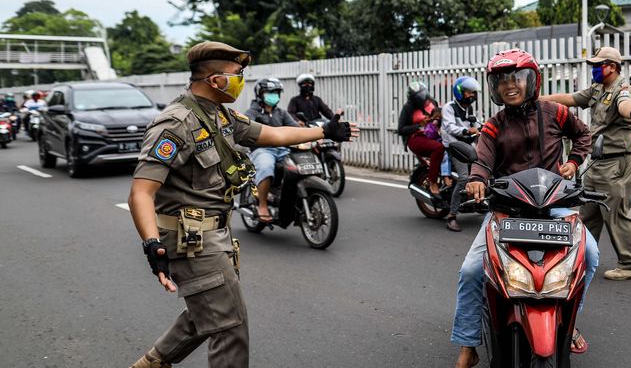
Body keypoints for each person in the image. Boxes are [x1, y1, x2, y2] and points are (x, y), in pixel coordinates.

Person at [127, 41, 356, 368]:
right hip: (191, 241)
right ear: (213, 79)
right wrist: (152, 244)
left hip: (216, 235)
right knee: (230, 325)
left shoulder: (219, 115)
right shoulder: (176, 122)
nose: (241, 81)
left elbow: (273, 136)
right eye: (236, 75)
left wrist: (326, 131)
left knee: (207, 312)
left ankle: (152, 363)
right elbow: (141, 192)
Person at [453, 49, 596, 368]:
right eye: (501, 81)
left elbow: (583, 135)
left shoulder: (556, 113)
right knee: (472, 271)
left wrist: (573, 162)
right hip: (508, 210)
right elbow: (482, 160)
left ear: (533, 80)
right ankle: (467, 343)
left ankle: (568, 323)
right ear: (494, 87)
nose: (509, 85)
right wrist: (477, 180)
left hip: (555, 205)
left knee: (591, 256)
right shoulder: (494, 125)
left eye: (516, 78)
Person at [540, 46, 631, 281]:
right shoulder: (599, 89)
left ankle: (630, 264)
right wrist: (540, 100)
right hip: (598, 162)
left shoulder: (623, 90)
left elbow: (625, 106)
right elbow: (571, 99)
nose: (595, 69)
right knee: (588, 213)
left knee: (616, 213)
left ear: (612, 67)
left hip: (618, 162)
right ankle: (580, 258)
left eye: (599, 65)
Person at [244, 77, 300, 222]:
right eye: (270, 92)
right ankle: (262, 204)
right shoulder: (253, 112)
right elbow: (245, 128)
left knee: (299, 165)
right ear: (260, 94)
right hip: (262, 150)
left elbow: (295, 129)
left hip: (282, 150)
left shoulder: (281, 113)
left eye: (276, 92)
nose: (274, 94)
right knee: (266, 167)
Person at [441, 76, 481, 232]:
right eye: (468, 92)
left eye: (473, 93)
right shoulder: (449, 107)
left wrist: (486, 127)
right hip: (454, 146)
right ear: (459, 92)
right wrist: (466, 130)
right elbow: (450, 127)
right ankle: (452, 216)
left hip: (467, 145)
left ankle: (478, 202)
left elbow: (476, 123)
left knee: (485, 167)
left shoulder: (469, 109)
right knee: (464, 177)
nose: (472, 95)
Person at [397, 81, 445, 196]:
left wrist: (437, 119)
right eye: (419, 96)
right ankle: (433, 182)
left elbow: (440, 117)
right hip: (416, 138)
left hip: (434, 135)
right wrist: (419, 125)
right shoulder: (408, 108)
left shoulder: (432, 102)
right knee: (439, 148)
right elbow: (401, 129)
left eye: (423, 94)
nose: (422, 97)